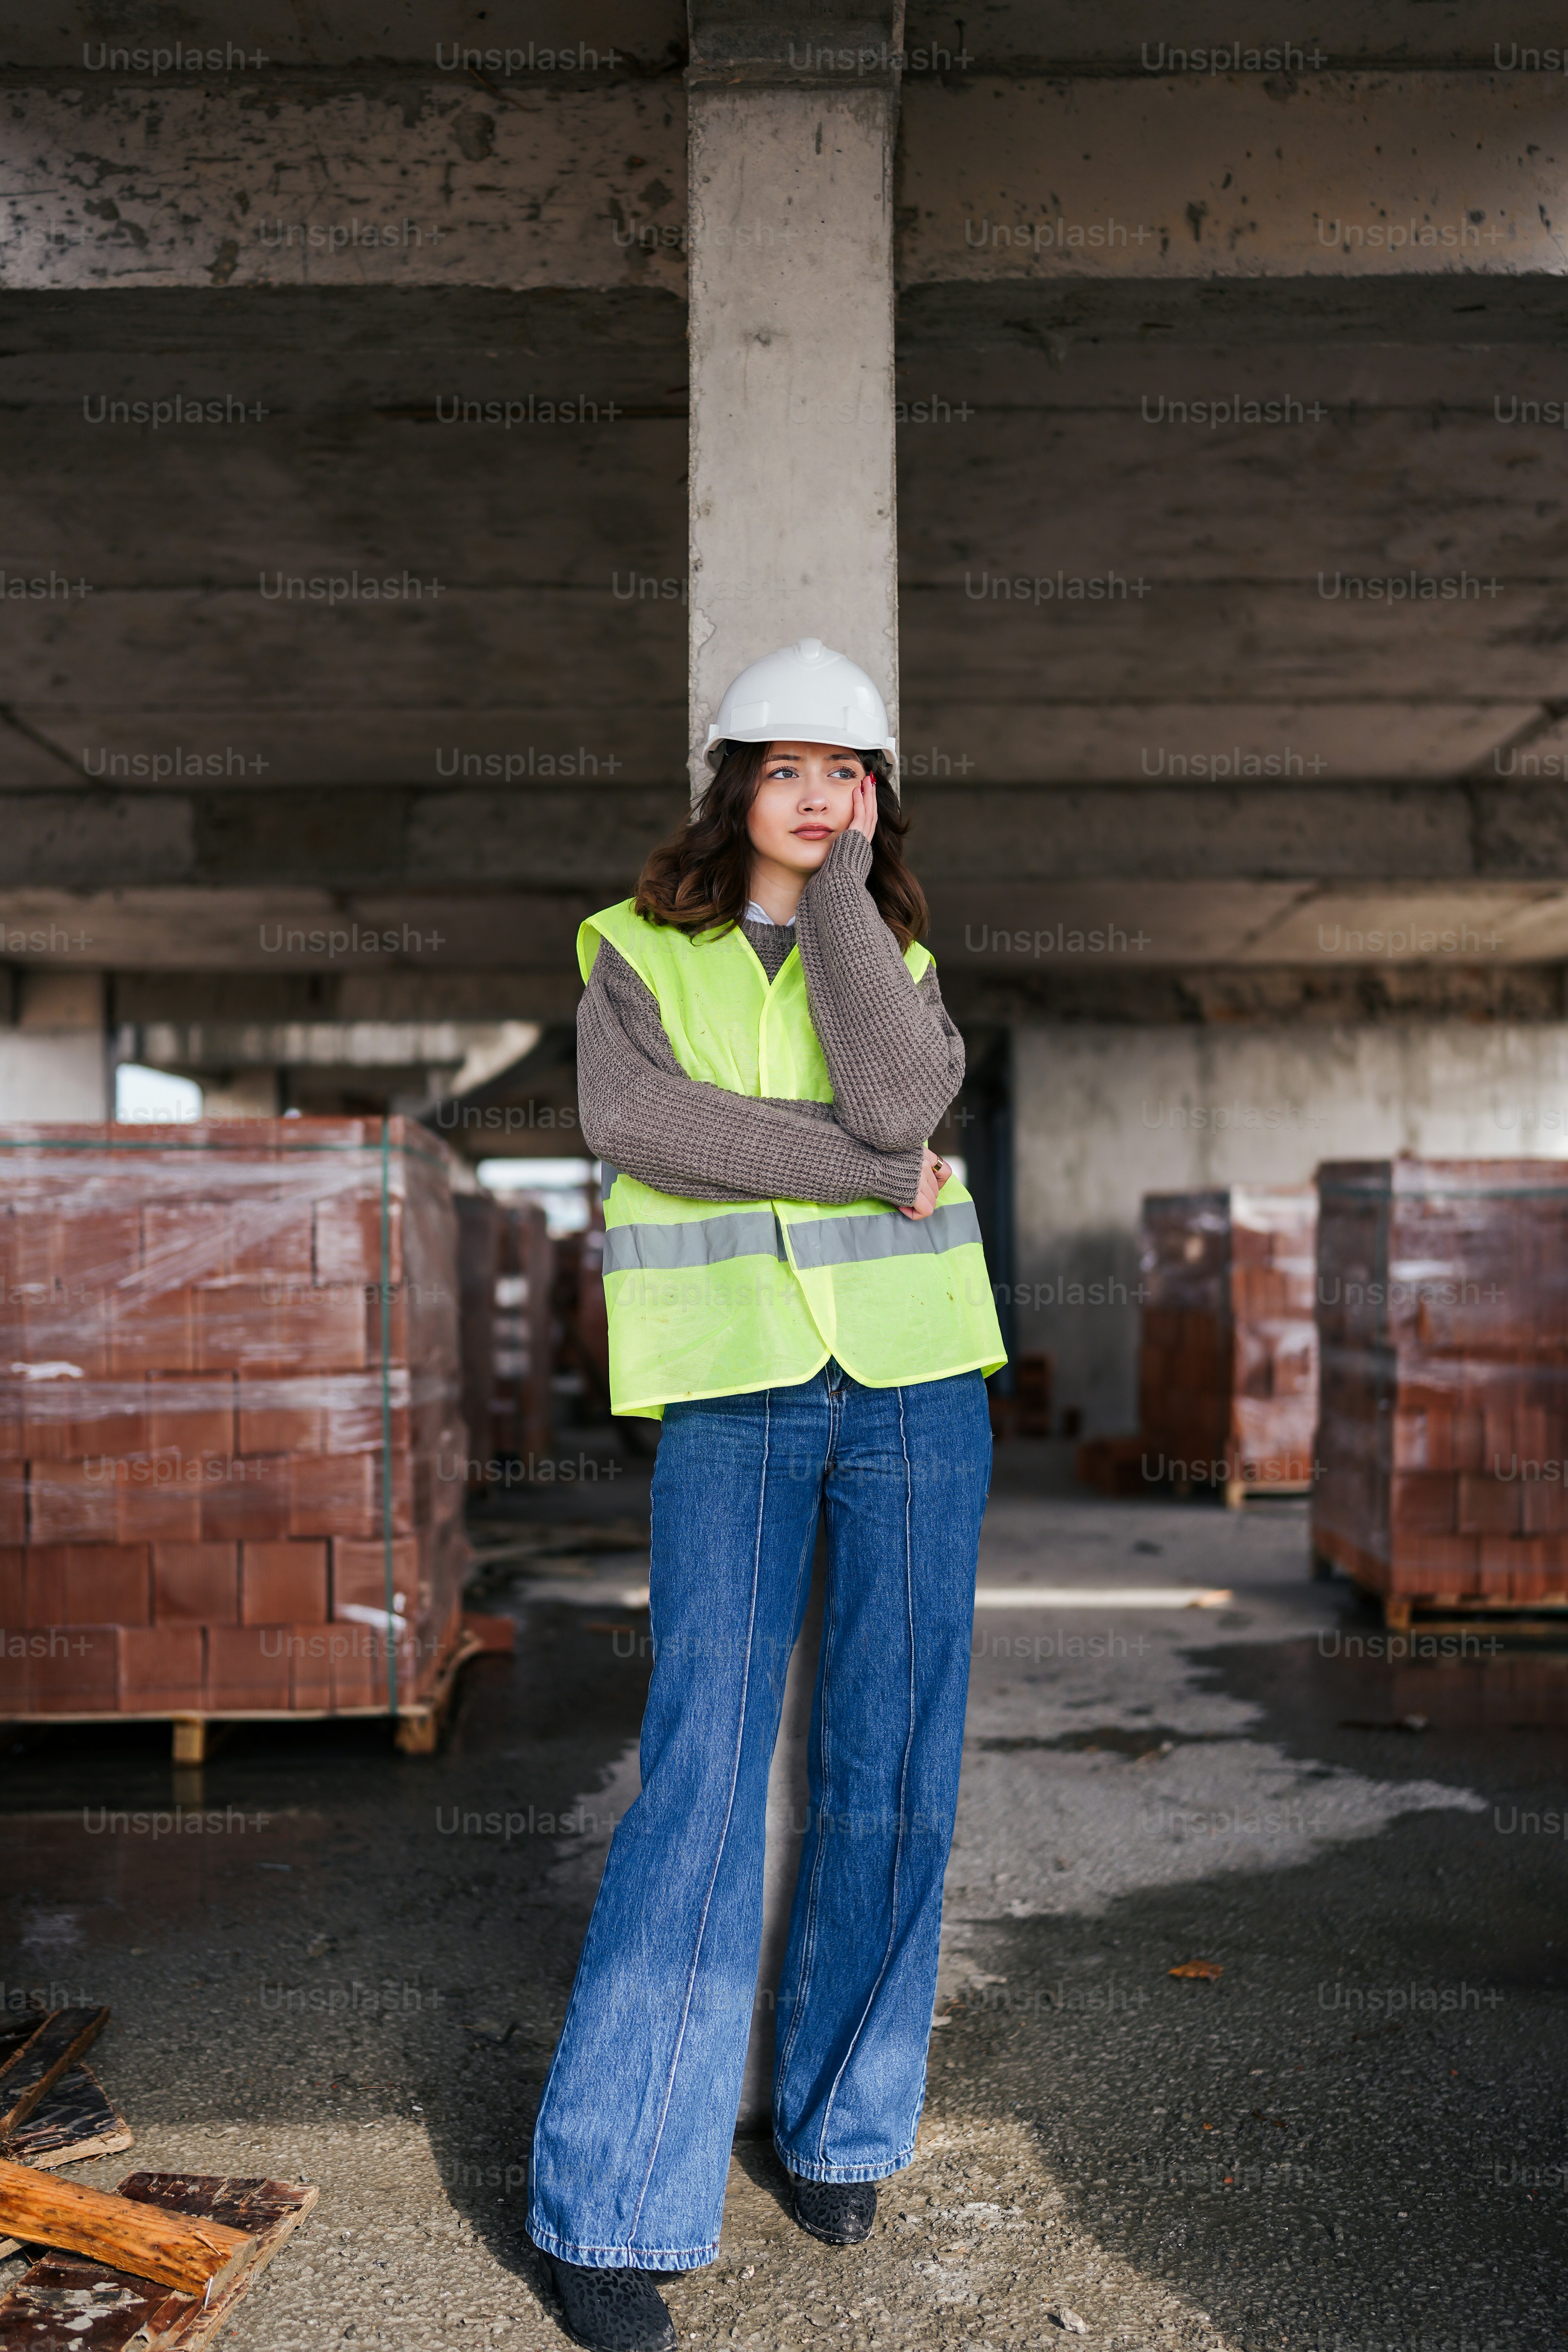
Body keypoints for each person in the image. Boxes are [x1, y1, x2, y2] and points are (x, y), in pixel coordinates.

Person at [526, 639, 1006, 2352]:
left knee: (896, 1768)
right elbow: (642, 1130)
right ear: (733, 778)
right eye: (791, 769)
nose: (822, 797)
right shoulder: (628, 947)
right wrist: (879, 1176)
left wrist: (857, 908)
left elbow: (895, 1086)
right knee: (704, 1776)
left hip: (913, 1388)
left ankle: (837, 2130)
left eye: (852, 775)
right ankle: (614, 2205)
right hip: (733, 1392)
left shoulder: (898, 950)